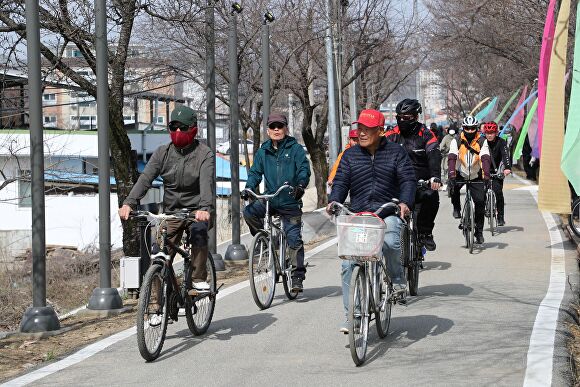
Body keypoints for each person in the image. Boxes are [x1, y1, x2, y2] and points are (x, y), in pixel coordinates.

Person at [326, 109, 416, 333]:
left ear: (380, 131)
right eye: (360, 128)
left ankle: (396, 280)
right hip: (359, 215)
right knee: (348, 264)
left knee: (391, 242)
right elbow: (340, 182)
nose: (362, 133)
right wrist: (334, 200)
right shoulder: (350, 155)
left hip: (387, 212)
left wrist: (404, 202)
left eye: (367, 129)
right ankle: (353, 315)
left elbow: (407, 179)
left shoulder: (396, 153)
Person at [119, 105, 215, 291]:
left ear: (193, 129)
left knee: (199, 233)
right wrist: (129, 203)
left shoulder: (204, 154)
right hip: (172, 212)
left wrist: (204, 208)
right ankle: (157, 305)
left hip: (196, 211)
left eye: (183, 127)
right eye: (174, 127)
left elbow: (206, 184)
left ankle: (198, 277)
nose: (178, 131)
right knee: (158, 253)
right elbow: (145, 178)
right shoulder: (162, 153)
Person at [241, 113, 311, 292]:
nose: (277, 129)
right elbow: (255, 172)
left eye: (280, 126)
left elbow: (304, 168)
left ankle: (297, 277)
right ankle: (264, 240)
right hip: (270, 199)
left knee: (294, 238)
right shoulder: (263, 150)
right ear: (268, 130)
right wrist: (249, 188)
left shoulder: (295, 148)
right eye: (273, 127)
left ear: (286, 128)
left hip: (290, 200)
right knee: (249, 212)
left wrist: (300, 186)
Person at [384, 99, 441, 251]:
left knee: (431, 196)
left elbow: (434, 155)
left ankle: (425, 233)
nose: (402, 121)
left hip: (420, 182)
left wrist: (435, 176)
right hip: (396, 184)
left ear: (416, 117)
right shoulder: (390, 135)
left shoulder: (427, 135)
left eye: (407, 117)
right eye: (399, 117)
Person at [448, 115, 491, 244]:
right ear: (463, 128)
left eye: (473, 128)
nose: (470, 131)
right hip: (461, 172)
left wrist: (486, 175)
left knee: (480, 202)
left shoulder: (482, 141)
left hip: (475, 174)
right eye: (468, 128)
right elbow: (451, 157)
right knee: (453, 187)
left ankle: (479, 232)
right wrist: (451, 174)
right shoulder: (456, 140)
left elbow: (485, 158)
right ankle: (456, 207)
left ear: (476, 128)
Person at [482, 122, 511, 226]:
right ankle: (485, 207)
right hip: (483, 170)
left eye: (492, 133)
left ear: (496, 133)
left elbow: (505, 155)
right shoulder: (482, 142)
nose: (489, 135)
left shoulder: (501, 142)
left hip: (497, 171)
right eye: (487, 133)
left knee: (498, 192)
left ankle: (500, 217)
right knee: (481, 192)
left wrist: (507, 168)